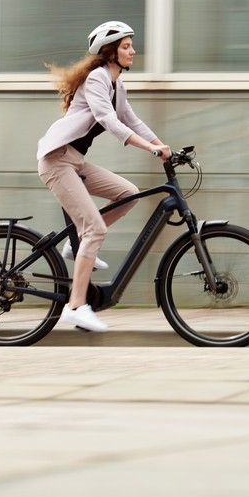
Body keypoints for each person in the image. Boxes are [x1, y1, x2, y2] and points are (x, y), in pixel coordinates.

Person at [37, 21, 172, 333]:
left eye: (131, 45)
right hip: (57, 162)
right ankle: (75, 307)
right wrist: (149, 149)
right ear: (109, 52)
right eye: (126, 46)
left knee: (128, 193)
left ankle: (74, 246)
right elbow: (108, 120)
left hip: (74, 161)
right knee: (95, 229)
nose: (133, 51)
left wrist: (163, 146)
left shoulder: (116, 85)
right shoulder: (97, 78)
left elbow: (132, 120)